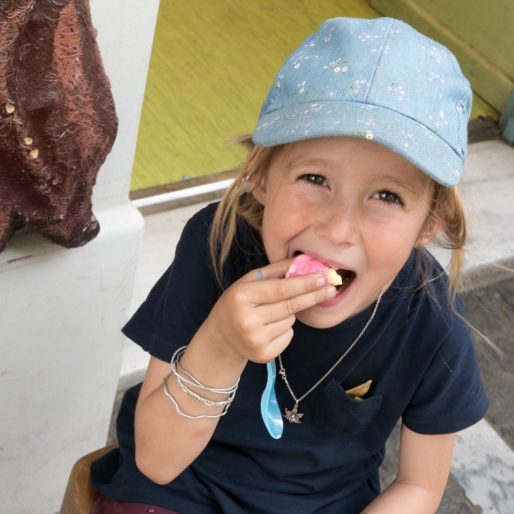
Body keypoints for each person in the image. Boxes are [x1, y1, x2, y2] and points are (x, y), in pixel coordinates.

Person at [91, 17, 488, 514]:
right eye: (314, 177)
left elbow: (419, 488)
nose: (339, 229)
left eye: (387, 195)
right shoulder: (215, 246)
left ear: (428, 224)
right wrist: (219, 345)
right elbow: (156, 461)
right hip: (181, 486)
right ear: (261, 176)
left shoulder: (432, 319)